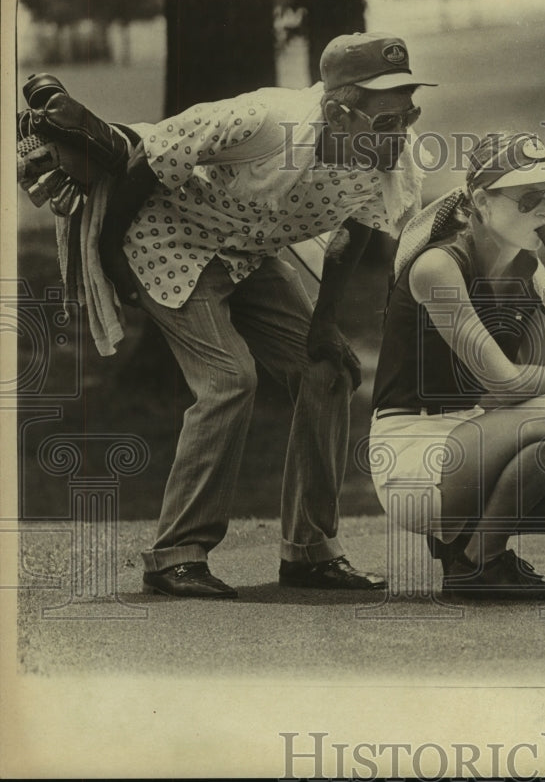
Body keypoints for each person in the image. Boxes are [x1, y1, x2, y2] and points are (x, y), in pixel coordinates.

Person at [97, 31, 436, 598]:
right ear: (336, 110)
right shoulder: (264, 121)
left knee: (328, 373)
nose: (400, 133)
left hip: (248, 255)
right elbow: (152, 159)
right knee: (230, 380)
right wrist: (109, 255)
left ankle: (309, 553)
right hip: (168, 240)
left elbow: (350, 237)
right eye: (386, 122)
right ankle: (175, 555)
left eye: (408, 115)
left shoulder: (392, 158)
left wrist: (324, 325)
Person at [368, 131, 545, 600]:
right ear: (481, 201)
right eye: (528, 198)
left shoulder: (532, 274)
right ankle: (480, 562)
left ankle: (471, 550)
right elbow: (499, 380)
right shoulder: (437, 267)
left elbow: (539, 394)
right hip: (413, 452)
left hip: (481, 436)